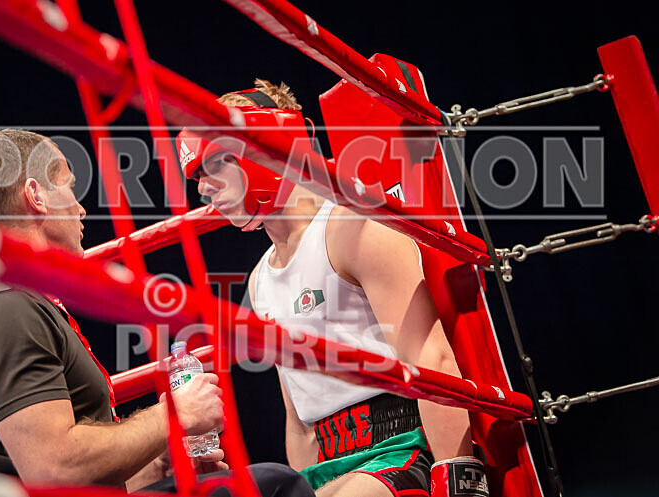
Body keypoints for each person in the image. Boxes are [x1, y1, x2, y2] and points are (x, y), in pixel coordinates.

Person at [0, 129, 314, 497]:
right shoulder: (3, 304)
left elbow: (73, 479)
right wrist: (174, 416)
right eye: (69, 186)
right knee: (276, 486)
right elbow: (53, 470)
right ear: (36, 195)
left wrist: (158, 463)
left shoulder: (12, 299)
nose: (80, 209)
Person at [176, 80, 489, 497]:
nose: (202, 187)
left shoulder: (352, 226)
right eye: (196, 174)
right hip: (329, 464)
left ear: (266, 144)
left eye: (215, 163)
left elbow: (431, 357)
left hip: (403, 448)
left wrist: (458, 481)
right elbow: (298, 416)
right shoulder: (259, 280)